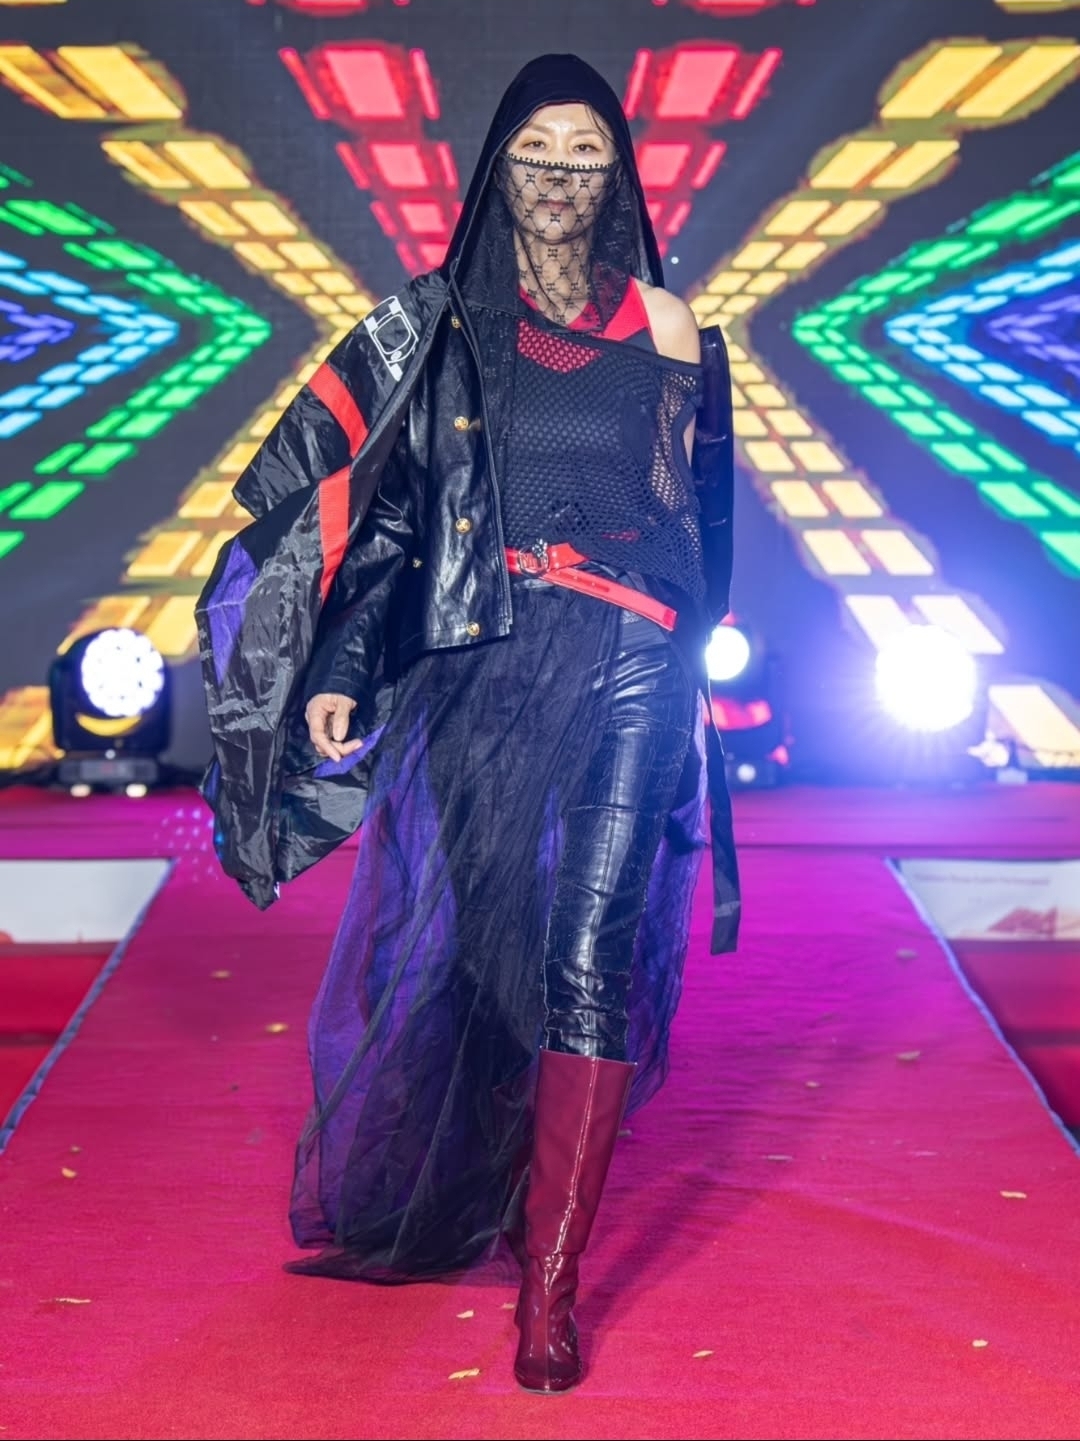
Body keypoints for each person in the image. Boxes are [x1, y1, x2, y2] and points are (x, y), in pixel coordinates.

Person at [196, 53, 740, 1394]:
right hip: (484, 657)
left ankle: (549, 1294)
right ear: (499, 168)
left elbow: (691, 512)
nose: (561, 174)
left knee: (591, 950)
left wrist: (685, 656)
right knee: (489, 946)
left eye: (587, 152)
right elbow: (387, 512)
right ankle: (498, 1177)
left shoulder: (668, 327)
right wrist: (343, 658)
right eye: (538, 150)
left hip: (630, 655)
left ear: (618, 177)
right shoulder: (442, 329)